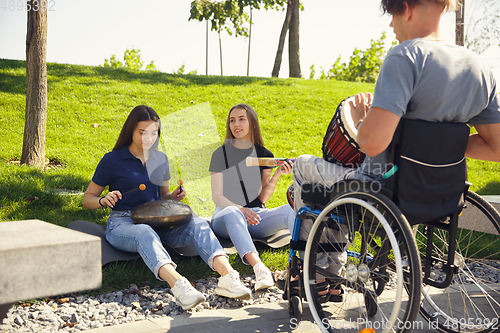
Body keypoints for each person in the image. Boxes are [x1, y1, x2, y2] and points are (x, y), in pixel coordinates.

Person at [292, 0, 500, 298]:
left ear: (406, 8)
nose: (391, 26)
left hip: (382, 189)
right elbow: (496, 147)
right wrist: (440, 148)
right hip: (441, 196)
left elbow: (372, 142)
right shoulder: (481, 69)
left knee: (303, 166)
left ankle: (319, 273)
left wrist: (365, 120)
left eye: (391, 16)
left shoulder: (406, 56)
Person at [82, 105, 252, 311]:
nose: (148, 138)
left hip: (158, 220)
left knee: (198, 222)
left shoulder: (159, 159)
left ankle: (228, 277)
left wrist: (175, 196)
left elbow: (164, 196)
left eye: (154, 133)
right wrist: (103, 200)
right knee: (143, 232)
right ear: (131, 131)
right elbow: (87, 199)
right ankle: (180, 285)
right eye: (142, 132)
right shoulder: (112, 160)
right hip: (123, 222)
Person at [209, 103, 295, 291]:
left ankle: (299, 267)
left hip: (255, 216)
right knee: (232, 211)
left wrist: (278, 174)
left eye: (241, 119)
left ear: (253, 124)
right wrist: (241, 209)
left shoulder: (264, 155)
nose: (236, 124)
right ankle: (260, 269)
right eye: (232, 120)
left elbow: (263, 198)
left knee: (291, 209)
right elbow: (217, 196)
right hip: (226, 215)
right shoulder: (220, 154)